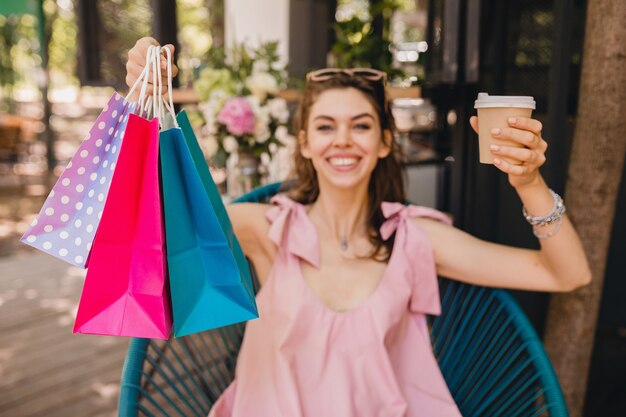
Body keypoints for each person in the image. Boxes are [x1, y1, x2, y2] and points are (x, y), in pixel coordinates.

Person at [126, 38, 591, 417]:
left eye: (362, 125)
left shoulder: (415, 240)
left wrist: (528, 182)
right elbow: (152, 229)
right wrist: (150, 108)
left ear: (386, 141)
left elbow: (566, 275)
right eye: (326, 127)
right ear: (305, 143)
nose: (343, 140)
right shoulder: (265, 230)